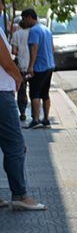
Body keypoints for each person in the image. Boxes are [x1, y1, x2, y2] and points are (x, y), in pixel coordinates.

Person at [0, 28, 46, 211]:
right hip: (1, 92)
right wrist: (18, 79)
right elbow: (5, 61)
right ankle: (20, 195)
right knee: (15, 145)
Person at [21, 9, 55, 129]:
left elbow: (34, 48)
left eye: (24, 18)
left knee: (34, 93)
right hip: (49, 65)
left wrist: (30, 66)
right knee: (45, 93)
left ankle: (35, 120)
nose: (23, 21)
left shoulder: (34, 31)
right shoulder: (46, 29)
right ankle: (46, 119)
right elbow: (52, 47)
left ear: (29, 17)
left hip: (39, 67)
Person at [11, 20, 30, 121]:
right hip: (33, 66)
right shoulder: (33, 33)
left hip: (21, 66)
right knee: (35, 91)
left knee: (22, 90)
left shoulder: (16, 35)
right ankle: (37, 114)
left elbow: (14, 51)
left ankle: (22, 112)